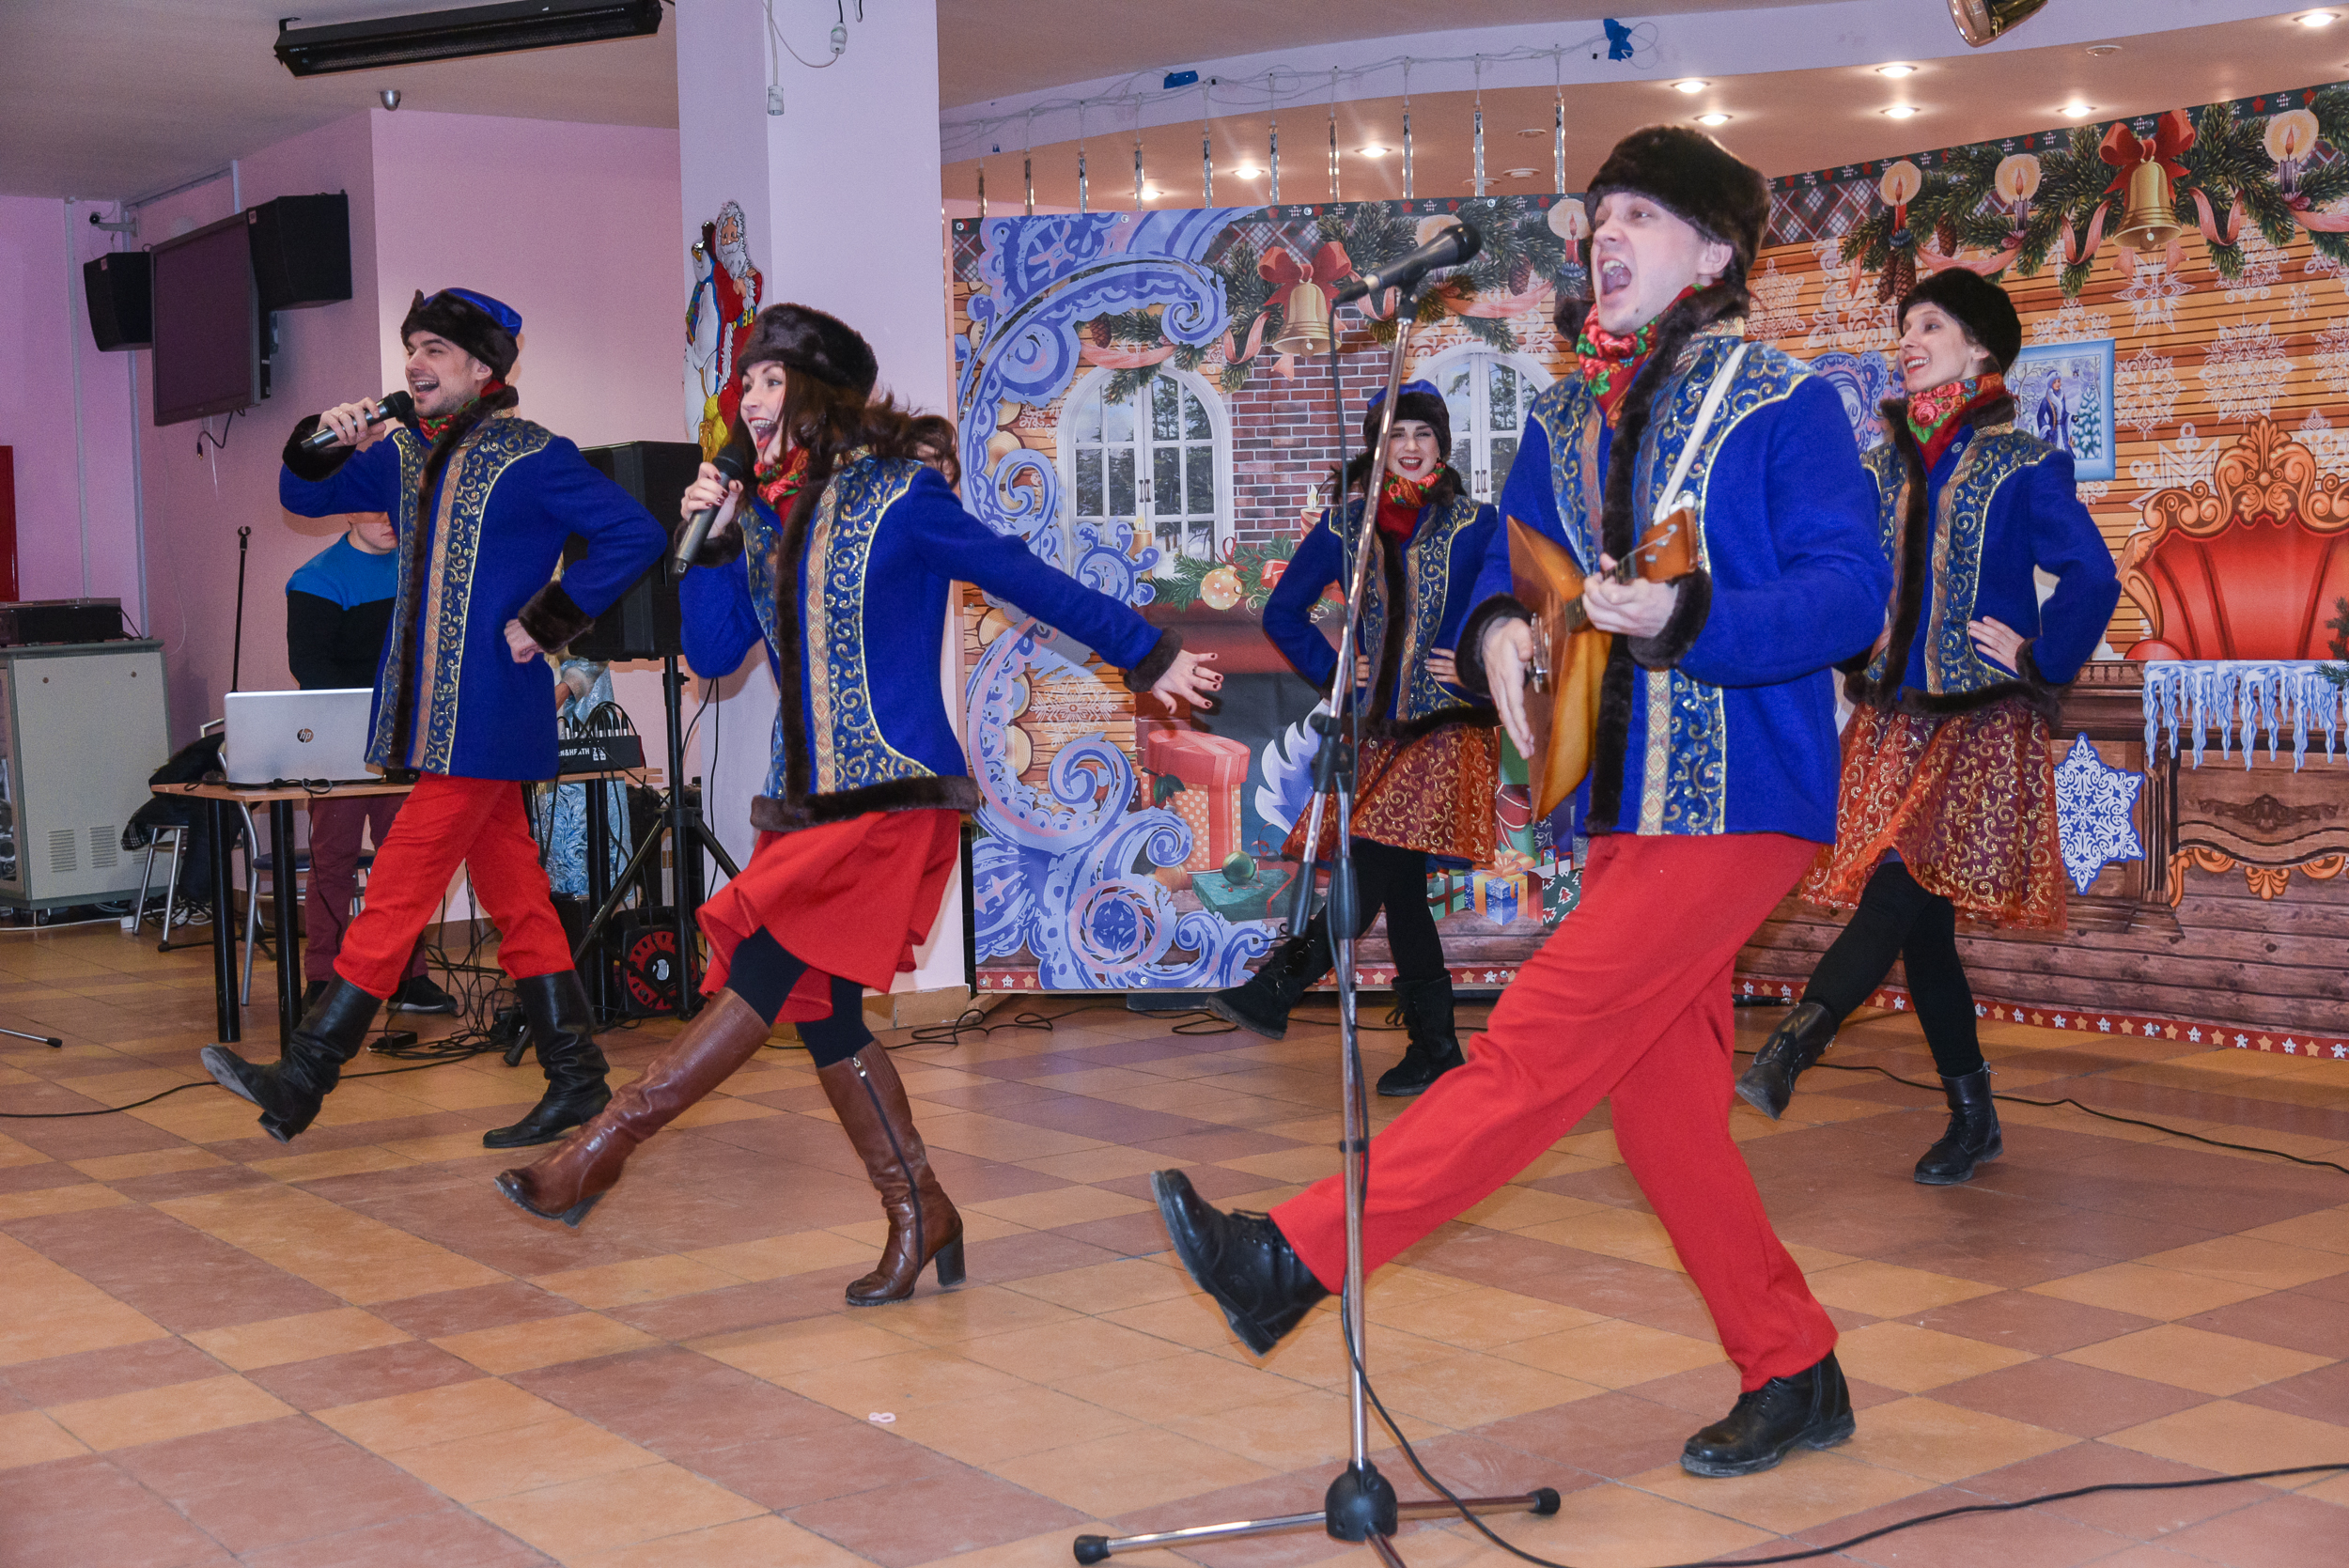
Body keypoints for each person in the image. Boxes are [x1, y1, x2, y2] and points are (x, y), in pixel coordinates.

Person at [1150, 126, 1891, 1481]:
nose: (1605, 235)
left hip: (1742, 796)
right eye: (1600, 215)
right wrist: (1495, 632)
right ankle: (1793, 1365)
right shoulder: (1563, 415)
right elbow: (1509, 570)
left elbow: (1853, 593)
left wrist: (1688, 614)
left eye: (1641, 215)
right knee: (1662, 1120)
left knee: (1535, 1044)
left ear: (1711, 254)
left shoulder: (1782, 402)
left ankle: (1292, 1256)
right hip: (1617, 803)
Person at [495, 303, 1223, 1305]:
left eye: (769, 379)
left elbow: (1021, 576)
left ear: (817, 391)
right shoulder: (759, 518)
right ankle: (921, 1208)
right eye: (745, 381)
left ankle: (601, 1148)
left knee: (762, 974)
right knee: (823, 1012)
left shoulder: (899, 495)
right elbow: (712, 655)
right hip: (809, 803)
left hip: (891, 790)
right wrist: (710, 543)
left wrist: (1149, 651)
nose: (750, 398)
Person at [204, 287, 667, 1150]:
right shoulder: (402, 452)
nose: (414, 362)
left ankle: (306, 1074)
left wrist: (551, 619)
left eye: (435, 350)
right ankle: (577, 1077)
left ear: (482, 368)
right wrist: (320, 437)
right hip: (430, 719)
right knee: (519, 899)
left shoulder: (536, 455)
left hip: (491, 713)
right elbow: (301, 494)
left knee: (399, 883)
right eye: (411, 346)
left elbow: (637, 533)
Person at [1736, 270, 2120, 1185]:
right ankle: (1973, 1114)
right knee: (1921, 928)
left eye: (1931, 325)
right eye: (1904, 326)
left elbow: (2094, 576)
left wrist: (2038, 655)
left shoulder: (2023, 461)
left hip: (1980, 722)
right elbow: (1841, 578)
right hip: (1891, 723)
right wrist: (1849, 638)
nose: (1908, 340)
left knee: (1897, 888)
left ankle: (1798, 1038)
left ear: (1979, 348)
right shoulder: (1876, 469)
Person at [1206, 380, 1499, 1096]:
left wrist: (1471, 663)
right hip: (1375, 731)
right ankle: (1435, 1046)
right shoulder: (1347, 526)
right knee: (1398, 887)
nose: (1410, 447)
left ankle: (1280, 982)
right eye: (1397, 434)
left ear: (1442, 443)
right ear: (1377, 447)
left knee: (1374, 867)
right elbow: (1283, 612)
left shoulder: (1477, 522)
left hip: (1446, 726)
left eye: (1423, 434)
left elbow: (1512, 606)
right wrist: (1337, 670)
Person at [284, 511, 455, 1016]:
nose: (387, 518)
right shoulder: (317, 579)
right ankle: (324, 977)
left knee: (404, 865)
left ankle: (408, 976)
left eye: (393, 505)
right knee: (333, 859)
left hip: (404, 740)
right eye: (374, 508)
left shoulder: (418, 570)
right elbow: (310, 667)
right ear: (349, 512)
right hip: (341, 741)